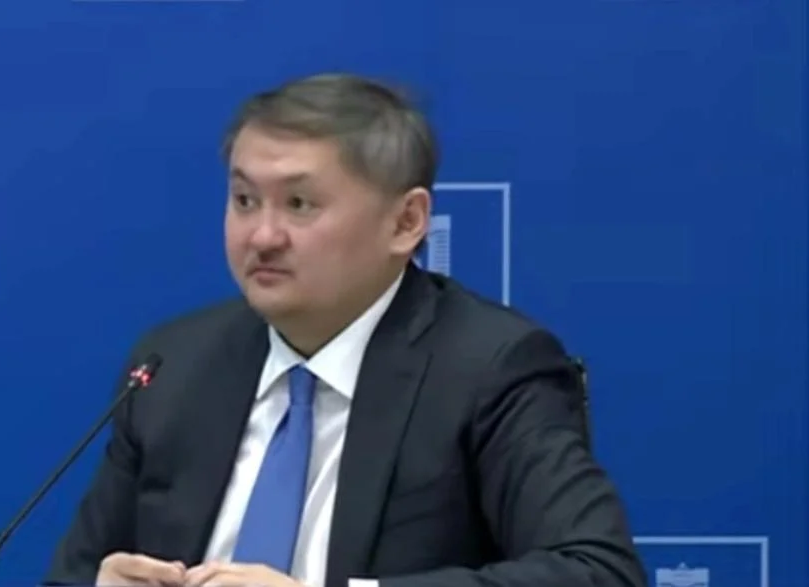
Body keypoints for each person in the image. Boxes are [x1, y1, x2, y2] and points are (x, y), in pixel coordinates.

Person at [43, 73, 647, 587]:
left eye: (299, 205)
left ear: (406, 222)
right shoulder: (174, 363)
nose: (262, 236)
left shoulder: (490, 368)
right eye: (245, 200)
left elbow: (597, 572)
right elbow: (75, 573)